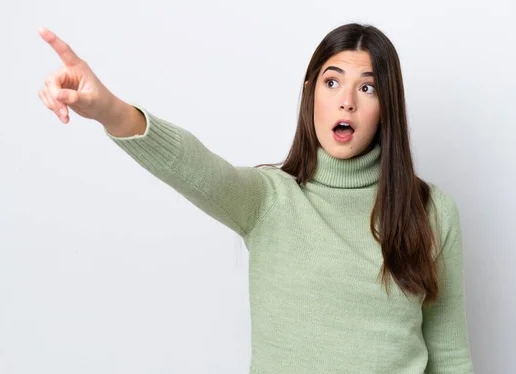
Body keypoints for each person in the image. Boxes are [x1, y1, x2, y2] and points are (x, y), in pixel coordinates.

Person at [37, 23, 474, 374]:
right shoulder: (269, 198)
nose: (346, 102)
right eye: (332, 82)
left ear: (387, 106)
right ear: (310, 94)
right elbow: (191, 166)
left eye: (367, 88)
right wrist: (109, 109)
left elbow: (450, 356)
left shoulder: (432, 211)